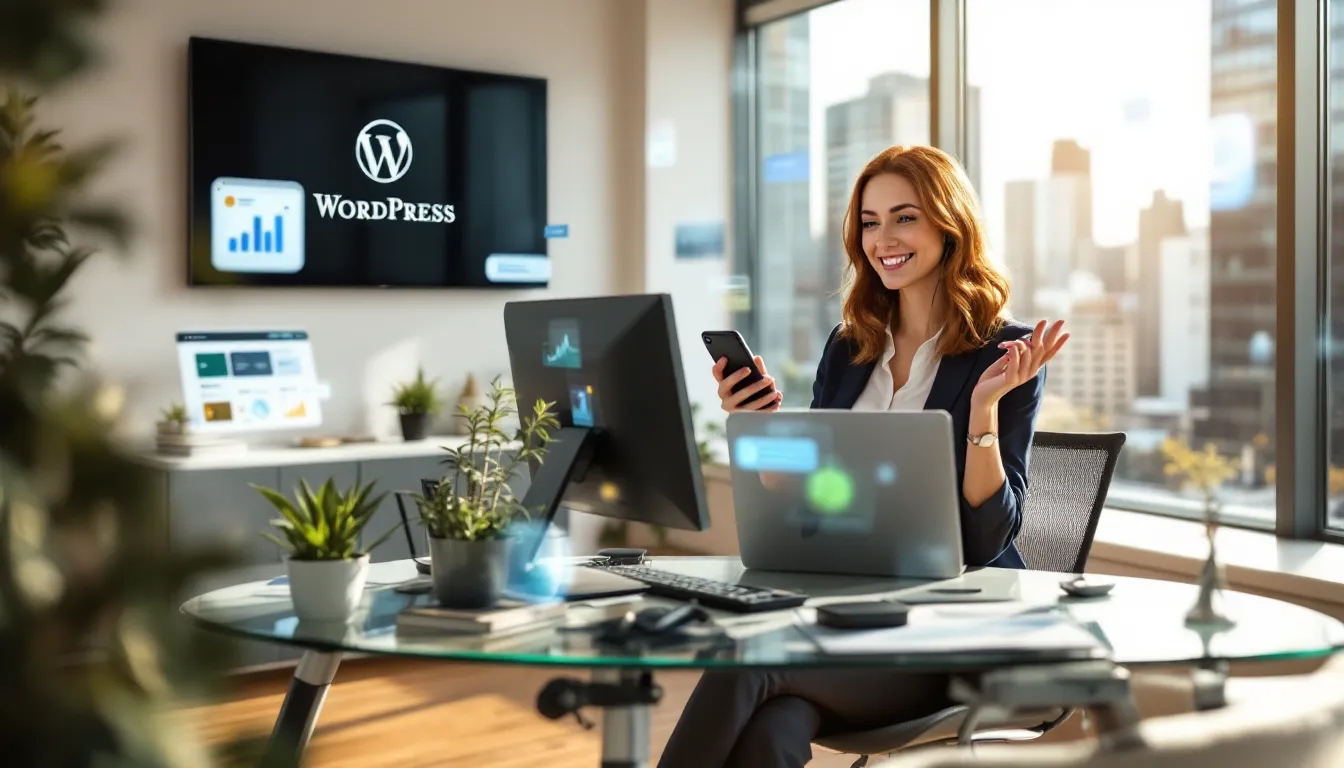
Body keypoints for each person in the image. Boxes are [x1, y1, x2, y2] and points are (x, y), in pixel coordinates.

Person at [657, 144, 1070, 768]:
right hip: (850, 611)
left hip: (955, 632)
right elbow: (813, 499)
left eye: (905, 217)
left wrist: (982, 412)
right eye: (870, 222)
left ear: (948, 224)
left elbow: (983, 541)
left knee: (749, 664)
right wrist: (761, 428)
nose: (884, 239)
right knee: (777, 726)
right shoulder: (850, 346)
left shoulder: (1005, 353)